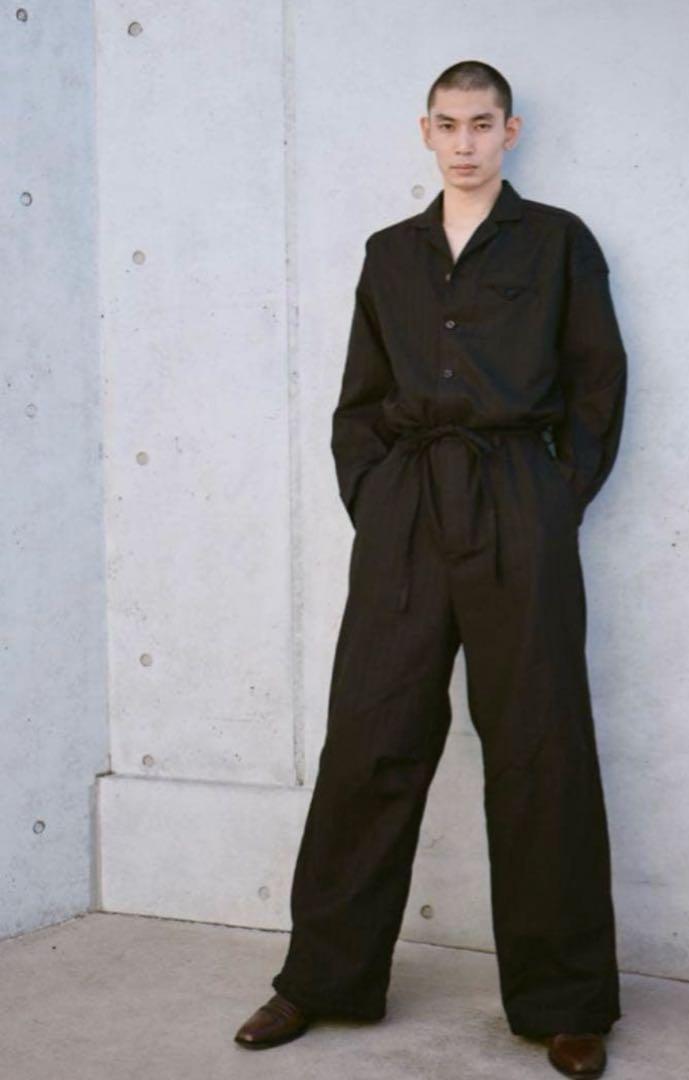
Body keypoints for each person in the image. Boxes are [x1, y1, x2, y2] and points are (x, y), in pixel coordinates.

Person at [234, 59, 628, 1079]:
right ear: (425, 132)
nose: (464, 143)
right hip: (407, 508)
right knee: (370, 737)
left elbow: (597, 386)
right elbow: (359, 399)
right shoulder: (390, 253)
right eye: (447, 125)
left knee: (539, 745)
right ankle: (321, 979)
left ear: (509, 132)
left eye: (481, 124)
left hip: (514, 504)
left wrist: (549, 503)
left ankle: (565, 1002)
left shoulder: (557, 243)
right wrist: (377, 497)